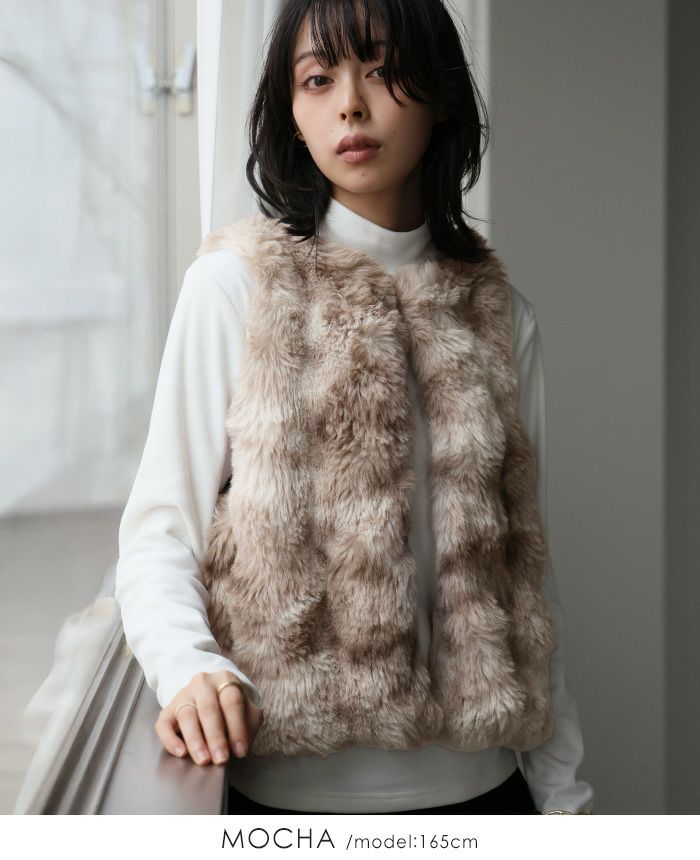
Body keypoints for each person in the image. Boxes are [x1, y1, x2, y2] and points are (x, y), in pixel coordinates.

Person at [114, 0, 594, 815]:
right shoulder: (237, 288)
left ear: (438, 92)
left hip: (486, 791)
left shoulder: (499, 315)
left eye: (381, 69)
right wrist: (187, 667)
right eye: (318, 79)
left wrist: (566, 801)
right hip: (286, 802)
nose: (350, 104)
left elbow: (524, 581)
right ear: (291, 112)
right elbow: (159, 536)